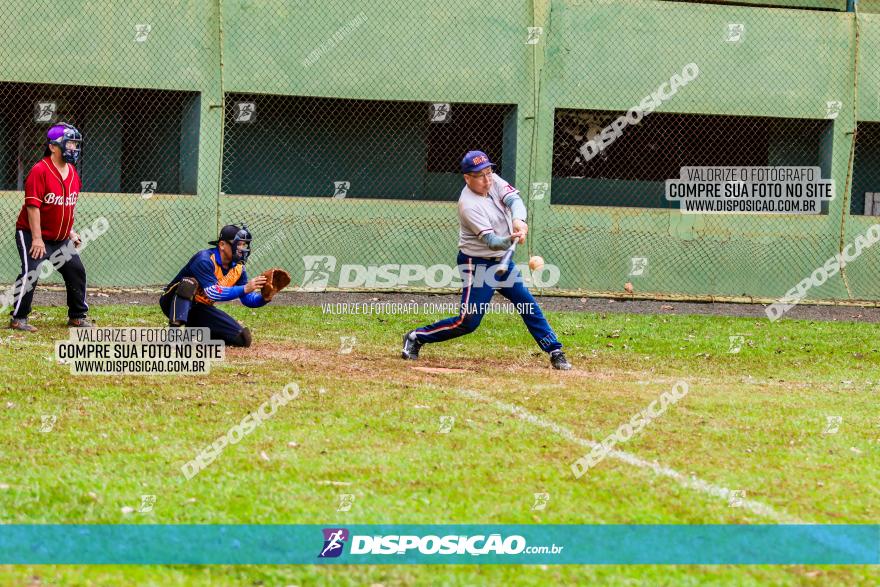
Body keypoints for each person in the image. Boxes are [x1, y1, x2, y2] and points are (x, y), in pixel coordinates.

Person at [401, 150, 572, 370]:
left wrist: (518, 220)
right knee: (468, 322)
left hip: (502, 262)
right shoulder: (468, 205)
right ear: (467, 178)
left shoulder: (492, 180)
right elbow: (491, 241)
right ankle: (416, 337)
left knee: (527, 304)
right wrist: (511, 238)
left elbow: (514, 200)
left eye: (489, 172)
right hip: (477, 263)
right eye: (480, 175)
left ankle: (555, 350)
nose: (487, 179)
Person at [10, 122, 91, 331]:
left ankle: (77, 316)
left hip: (60, 237)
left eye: (75, 144)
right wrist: (36, 238)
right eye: (69, 143)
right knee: (32, 271)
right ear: (54, 146)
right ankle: (19, 318)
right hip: (31, 233)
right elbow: (33, 207)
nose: (73, 148)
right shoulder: (40, 170)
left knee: (76, 270)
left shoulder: (72, 172)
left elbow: (67, 206)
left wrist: (70, 232)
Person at [159, 224, 269, 347]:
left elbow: (247, 298)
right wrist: (245, 288)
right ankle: (173, 335)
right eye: (238, 244)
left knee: (242, 339)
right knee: (188, 284)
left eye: (244, 245)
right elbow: (213, 292)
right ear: (222, 245)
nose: (242, 248)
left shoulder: (239, 267)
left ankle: (196, 334)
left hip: (199, 308)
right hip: (172, 302)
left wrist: (265, 297)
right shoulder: (204, 259)